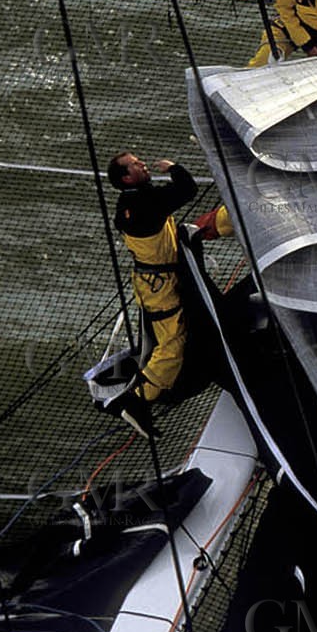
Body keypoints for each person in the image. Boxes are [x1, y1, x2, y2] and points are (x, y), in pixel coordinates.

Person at [104, 152, 228, 436]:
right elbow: (187, 189)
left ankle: (145, 388)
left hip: (154, 281)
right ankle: (135, 400)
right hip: (160, 286)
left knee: (167, 337)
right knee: (172, 345)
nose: (142, 164)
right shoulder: (145, 203)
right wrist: (174, 169)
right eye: (135, 164)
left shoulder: (136, 200)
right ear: (126, 178)